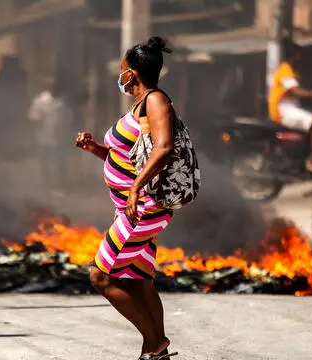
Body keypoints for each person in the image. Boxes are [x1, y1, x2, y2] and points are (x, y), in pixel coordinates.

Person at [75, 36, 177, 360]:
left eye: (122, 70)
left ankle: (155, 342)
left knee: (100, 275)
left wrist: (134, 190)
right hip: (129, 208)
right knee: (139, 281)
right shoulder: (137, 107)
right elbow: (127, 158)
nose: (120, 76)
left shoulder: (155, 101)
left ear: (132, 74)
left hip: (142, 207)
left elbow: (163, 148)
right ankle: (157, 350)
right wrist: (97, 150)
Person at [268, 37, 312, 174]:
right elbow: (298, 92)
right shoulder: (285, 71)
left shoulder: (289, 71)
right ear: (295, 55)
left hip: (291, 107)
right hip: (283, 110)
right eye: (299, 55)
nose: (302, 58)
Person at [29, 76, 74, 194]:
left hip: (60, 137)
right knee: (45, 162)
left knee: (60, 161)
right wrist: (37, 133)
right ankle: (46, 184)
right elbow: (34, 117)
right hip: (44, 136)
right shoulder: (40, 100)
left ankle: (60, 185)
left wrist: (65, 129)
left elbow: (68, 117)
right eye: (50, 85)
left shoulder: (63, 101)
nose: (53, 87)